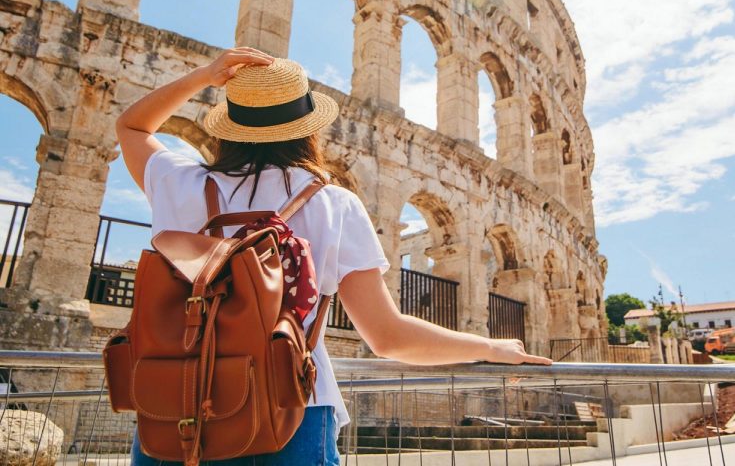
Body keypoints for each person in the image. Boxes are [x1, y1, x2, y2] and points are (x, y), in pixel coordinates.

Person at [116, 47, 553, 465]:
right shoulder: (334, 204)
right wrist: (491, 347)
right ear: (309, 128)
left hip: (176, 409)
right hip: (293, 412)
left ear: (230, 126)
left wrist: (204, 76)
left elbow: (132, 127)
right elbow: (388, 337)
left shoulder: (178, 182)